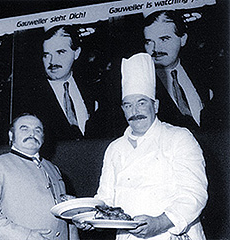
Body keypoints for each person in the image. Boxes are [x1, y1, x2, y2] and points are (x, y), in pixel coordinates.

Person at [75, 53, 208, 239]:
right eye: (128, 105)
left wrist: (160, 222)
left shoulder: (179, 137)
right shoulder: (115, 148)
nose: (134, 112)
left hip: (172, 234)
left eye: (141, 103)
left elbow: (194, 194)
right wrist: (88, 216)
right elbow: (105, 198)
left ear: (156, 106)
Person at [0, 113, 79, 240]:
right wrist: (25, 236)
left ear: (43, 138)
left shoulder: (53, 168)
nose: (32, 134)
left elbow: (67, 222)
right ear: (11, 135)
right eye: (24, 128)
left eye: (37, 130)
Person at [23, 25, 101, 142]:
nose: (52, 61)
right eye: (46, 55)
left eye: (60, 52)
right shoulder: (29, 97)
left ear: (76, 53)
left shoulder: (92, 87)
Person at [143, 10, 212, 132]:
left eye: (164, 39)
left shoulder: (204, 72)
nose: (156, 49)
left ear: (183, 39)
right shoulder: (143, 83)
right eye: (149, 42)